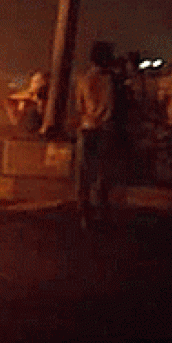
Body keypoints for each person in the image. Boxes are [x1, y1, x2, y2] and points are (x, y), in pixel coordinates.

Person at [74, 41, 120, 229]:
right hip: (105, 130)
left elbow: (79, 106)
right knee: (102, 173)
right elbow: (114, 107)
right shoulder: (111, 81)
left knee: (84, 173)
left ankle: (84, 213)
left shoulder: (83, 79)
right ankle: (101, 212)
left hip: (87, 128)